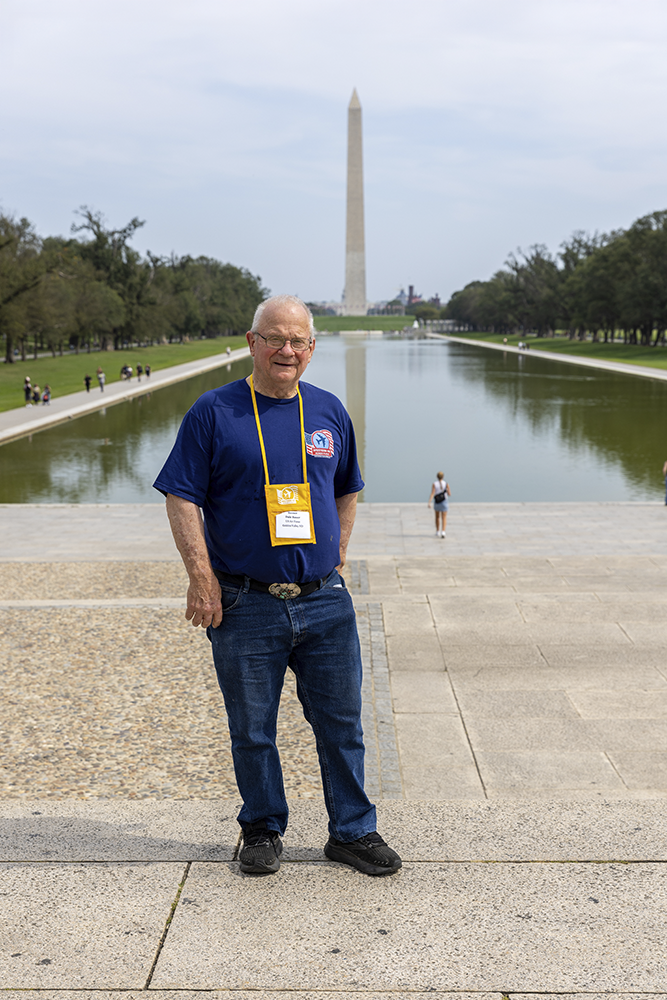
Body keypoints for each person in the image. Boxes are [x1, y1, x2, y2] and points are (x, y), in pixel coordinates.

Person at [154, 294, 401, 878]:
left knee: (343, 723)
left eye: (298, 341)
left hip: (322, 600)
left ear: (312, 350)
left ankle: (353, 830)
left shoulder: (329, 411)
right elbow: (181, 495)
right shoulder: (213, 412)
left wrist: (338, 550)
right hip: (244, 600)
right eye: (275, 339)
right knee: (253, 727)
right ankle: (262, 827)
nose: (286, 350)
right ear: (252, 342)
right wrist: (200, 578)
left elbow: (348, 484)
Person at [428, 471, 451, 538]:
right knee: (444, 517)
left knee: (437, 517)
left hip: (437, 502)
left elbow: (432, 493)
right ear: (443, 477)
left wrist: (429, 502)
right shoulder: (446, 484)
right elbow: (449, 494)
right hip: (444, 501)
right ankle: (443, 532)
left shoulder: (434, 484)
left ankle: (437, 531)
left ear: (437, 477)